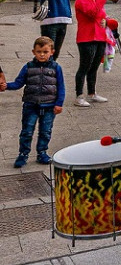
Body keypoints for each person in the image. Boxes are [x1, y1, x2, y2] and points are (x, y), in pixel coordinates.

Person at [6, 36, 64, 167]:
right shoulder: (28, 67)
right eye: (39, 52)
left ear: (52, 52)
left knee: (45, 131)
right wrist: (6, 86)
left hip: (49, 106)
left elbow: (61, 87)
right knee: (27, 131)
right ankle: (23, 154)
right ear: (34, 52)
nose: (42, 55)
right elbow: (18, 83)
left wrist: (59, 104)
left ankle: (42, 152)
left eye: (45, 52)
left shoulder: (56, 68)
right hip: (31, 105)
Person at [74, 0, 109, 107]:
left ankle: (92, 93)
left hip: (99, 36)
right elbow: (92, 13)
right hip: (86, 37)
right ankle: (79, 95)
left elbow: (101, 15)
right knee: (84, 67)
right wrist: (102, 0)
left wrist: (106, 20)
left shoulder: (96, 0)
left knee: (94, 67)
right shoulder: (81, 0)